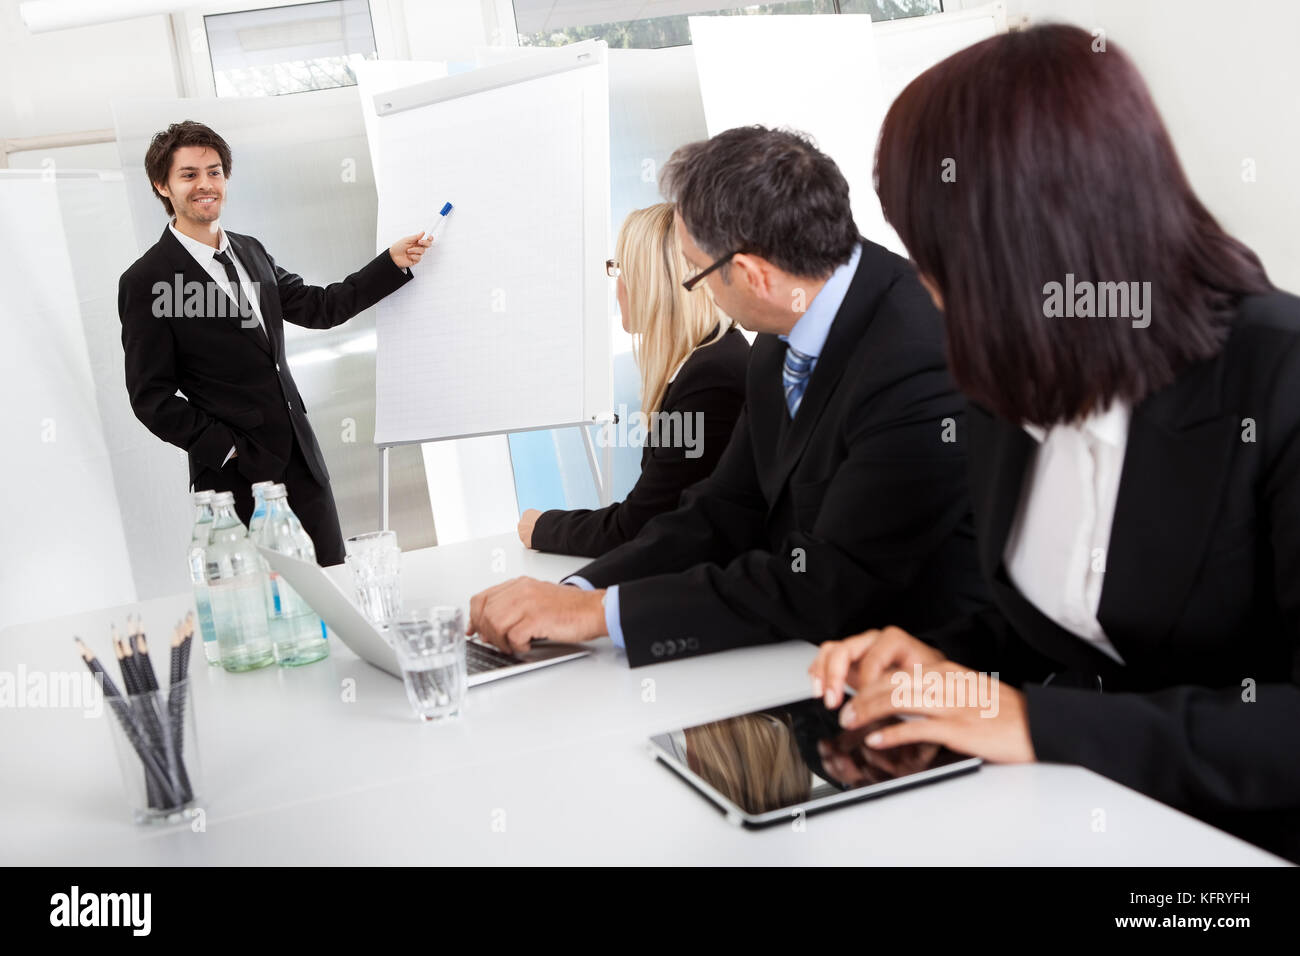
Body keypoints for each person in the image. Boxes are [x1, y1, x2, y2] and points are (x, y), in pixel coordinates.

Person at [809, 24, 1300, 862]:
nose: (926, 293)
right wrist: (941, 665)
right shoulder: (1019, 383)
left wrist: (1033, 720)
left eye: (934, 261)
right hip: (1077, 823)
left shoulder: (1279, 379)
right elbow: (1077, 625)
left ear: (1014, 258)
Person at [468, 126, 986, 666]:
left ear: (751, 275)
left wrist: (601, 614)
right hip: (806, 657)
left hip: (932, 684)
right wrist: (576, 595)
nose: (699, 290)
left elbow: (830, 579)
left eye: (696, 273)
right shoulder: (781, 331)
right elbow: (722, 508)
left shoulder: (917, 354)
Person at [118, 120, 430, 566]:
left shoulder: (250, 250)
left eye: (214, 171)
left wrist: (391, 264)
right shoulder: (146, 281)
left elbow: (319, 308)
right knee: (267, 607)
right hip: (234, 483)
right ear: (162, 185)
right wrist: (227, 449)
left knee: (332, 582)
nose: (205, 184)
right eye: (189, 175)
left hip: (302, 465)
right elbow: (151, 397)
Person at [518, 202, 749, 558]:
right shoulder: (707, 359)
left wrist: (545, 527)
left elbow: (641, 525)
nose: (618, 286)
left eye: (621, 269)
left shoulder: (709, 378)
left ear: (652, 279)